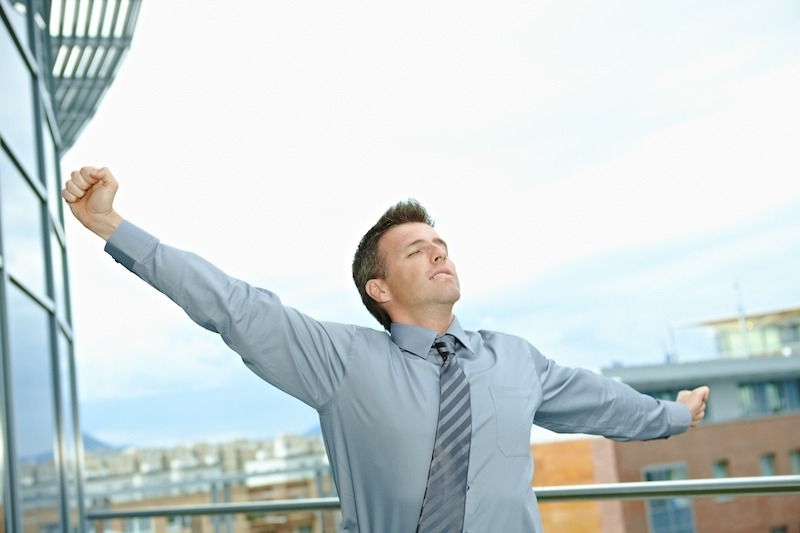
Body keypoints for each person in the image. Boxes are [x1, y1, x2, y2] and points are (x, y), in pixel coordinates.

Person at [63, 166, 709, 533]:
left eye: (442, 243)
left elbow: (599, 401)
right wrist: (110, 225)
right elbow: (232, 305)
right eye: (415, 249)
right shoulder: (341, 361)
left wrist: (675, 415)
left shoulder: (515, 358)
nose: (439, 252)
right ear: (379, 286)